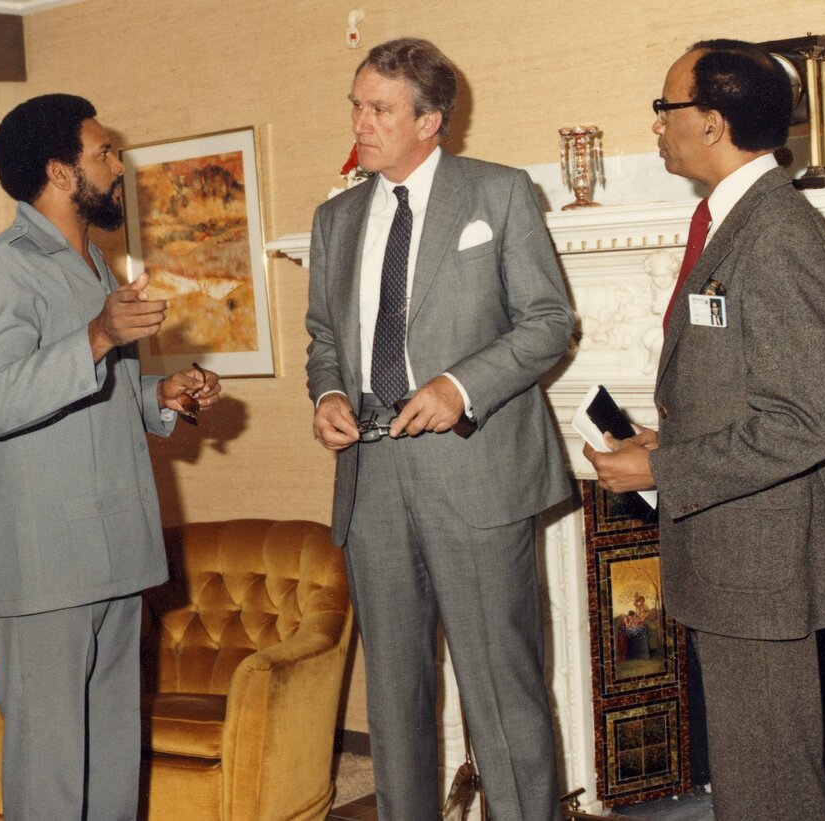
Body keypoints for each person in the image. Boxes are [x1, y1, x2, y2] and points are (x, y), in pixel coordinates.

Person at [584, 40, 825, 820]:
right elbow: (743, 392)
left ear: (709, 123)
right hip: (734, 562)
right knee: (749, 783)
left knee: (771, 788)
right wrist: (658, 444)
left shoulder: (775, 233)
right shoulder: (730, 221)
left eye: (664, 109)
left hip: (761, 569)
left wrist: (664, 472)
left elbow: (807, 420)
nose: (656, 126)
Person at [305, 37, 574, 820]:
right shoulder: (334, 219)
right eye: (357, 104)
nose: (361, 121)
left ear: (431, 121)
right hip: (373, 477)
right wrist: (327, 395)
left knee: (501, 690)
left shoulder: (497, 194)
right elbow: (326, 336)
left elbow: (548, 321)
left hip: (478, 474)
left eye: (379, 108)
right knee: (393, 697)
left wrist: (461, 387)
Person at [0, 93, 221, 820]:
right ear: (57, 171)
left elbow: (96, 392)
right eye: (103, 152)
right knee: (50, 774)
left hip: (113, 552)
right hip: (45, 564)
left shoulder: (93, 263)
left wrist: (161, 392)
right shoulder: (3, 272)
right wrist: (100, 338)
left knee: (110, 762)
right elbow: (3, 401)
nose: (116, 162)